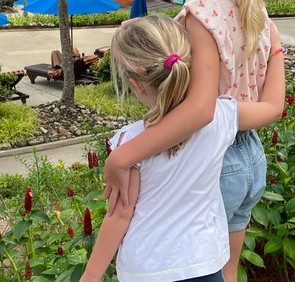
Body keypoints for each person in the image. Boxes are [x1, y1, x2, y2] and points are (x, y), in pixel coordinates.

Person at [104, 0, 286, 282]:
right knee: (227, 269)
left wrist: (123, 155)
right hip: (251, 159)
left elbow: (201, 109)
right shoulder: (254, 5)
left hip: (212, 160)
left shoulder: (201, 9)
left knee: (188, 264)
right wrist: (275, 50)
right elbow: (274, 106)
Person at [80, 15, 239, 282]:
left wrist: (91, 276)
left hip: (147, 268)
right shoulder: (223, 115)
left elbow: (120, 214)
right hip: (205, 264)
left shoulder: (130, 141)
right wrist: (276, 49)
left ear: (136, 84)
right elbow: (271, 109)